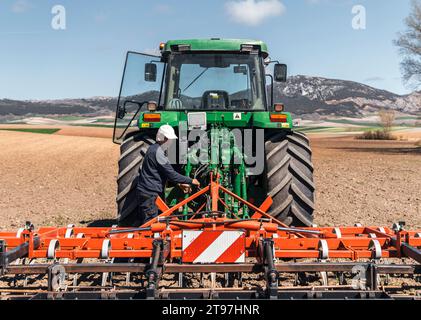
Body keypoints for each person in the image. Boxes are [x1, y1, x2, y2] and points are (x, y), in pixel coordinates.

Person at [133, 124, 200, 226]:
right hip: (150, 193)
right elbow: (172, 174)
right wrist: (190, 181)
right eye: (170, 139)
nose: (171, 142)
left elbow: (164, 173)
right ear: (163, 138)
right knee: (151, 223)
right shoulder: (158, 153)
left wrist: (179, 184)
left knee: (154, 219)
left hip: (148, 191)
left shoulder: (153, 148)